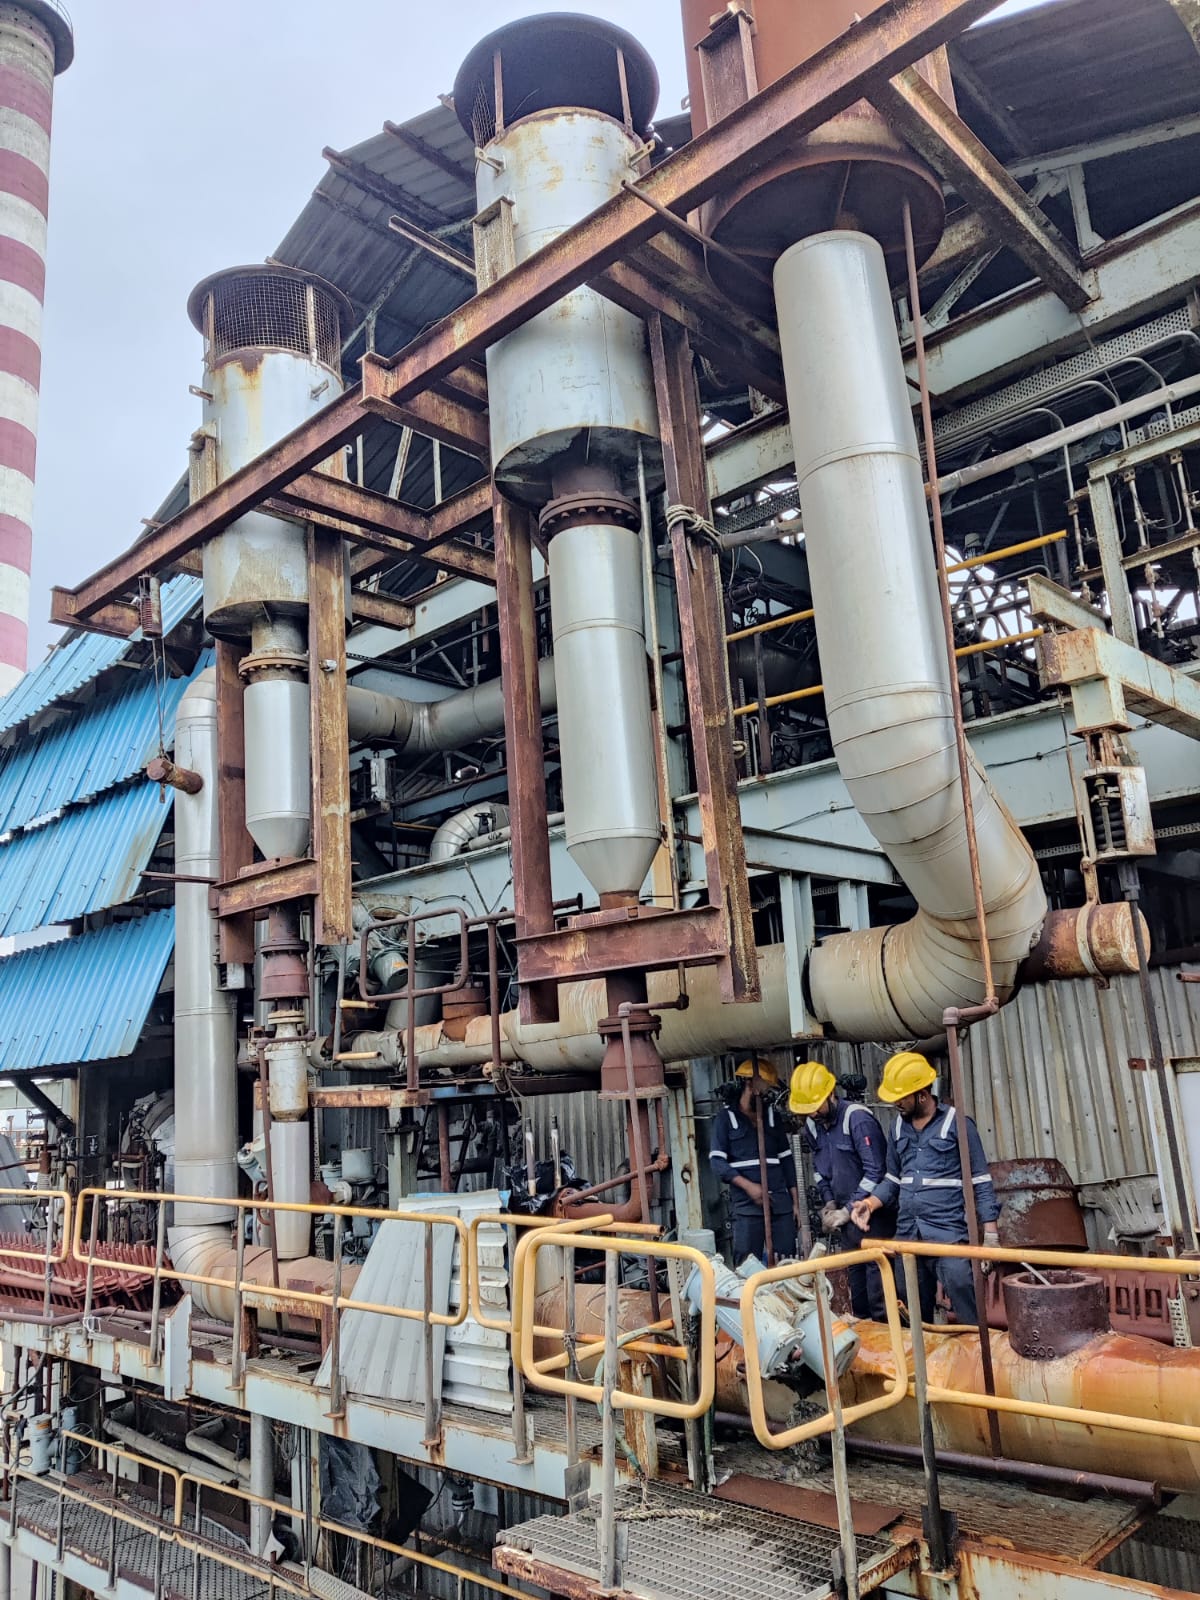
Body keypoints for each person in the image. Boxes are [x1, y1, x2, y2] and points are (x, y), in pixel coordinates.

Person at [850, 1051, 999, 1326]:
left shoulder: (958, 1124)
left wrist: (990, 1235)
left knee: (964, 1295)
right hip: (909, 1236)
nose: (895, 1103)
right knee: (913, 1315)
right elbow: (893, 1180)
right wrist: (869, 1203)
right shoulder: (897, 1127)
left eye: (901, 1097)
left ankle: (977, 1349)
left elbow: (980, 1180)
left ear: (922, 1094)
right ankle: (926, 1353)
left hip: (948, 1235)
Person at [788, 1061, 896, 1319]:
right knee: (856, 1288)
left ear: (830, 1094)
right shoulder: (812, 1126)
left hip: (873, 1217)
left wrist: (848, 1209)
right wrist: (829, 1202)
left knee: (879, 1289)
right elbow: (819, 1168)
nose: (813, 1113)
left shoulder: (856, 1119)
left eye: (816, 1107)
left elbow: (876, 1171)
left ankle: (888, 1334)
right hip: (846, 1222)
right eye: (807, 1110)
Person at [709, 1058, 800, 1264]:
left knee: (787, 1262)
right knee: (747, 1265)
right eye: (765, 1088)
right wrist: (749, 1187)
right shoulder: (726, 1119)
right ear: (750, 1083)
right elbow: (717, 1164)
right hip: (747, 1209)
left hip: (780, 1206)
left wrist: (795, 1204)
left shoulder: (772, 1117)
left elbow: (787, 1162)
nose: (767, 1094)